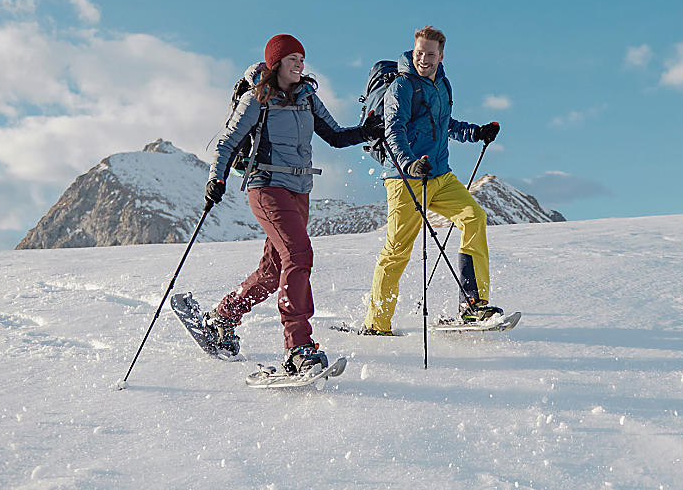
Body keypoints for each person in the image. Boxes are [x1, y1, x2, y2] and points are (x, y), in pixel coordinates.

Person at [204, 33, 375, 374]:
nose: (300, 63)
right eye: (293, 57)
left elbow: (336, 136)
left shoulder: (308, 98)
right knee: (298, 255)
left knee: (273, 272)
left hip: (300, 190)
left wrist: (368, 129)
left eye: (302, 58)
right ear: (276, 62)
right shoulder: (257, 98)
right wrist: (216, 178)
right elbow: (227, 141)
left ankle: (222, 316)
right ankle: (298, 346)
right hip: (266, 187)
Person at [362, 25, 502, 335]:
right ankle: (376, 324)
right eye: (418, 53)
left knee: (474, 217)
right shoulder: (401, 86)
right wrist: (409, 163)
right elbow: (393, 130)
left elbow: (444, 123)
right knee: (397, 249)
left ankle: (473, 306)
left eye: (430, 54)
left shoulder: (443, 84)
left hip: (440, 175)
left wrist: (475, 132)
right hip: (405, 178)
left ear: (441, 55)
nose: (423, 59)